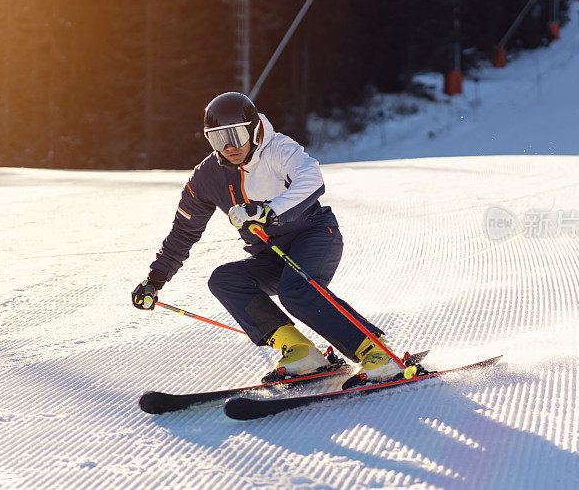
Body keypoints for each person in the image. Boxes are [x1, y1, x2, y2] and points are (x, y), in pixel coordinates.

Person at [132, 92, 401, 382]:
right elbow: (184, 231)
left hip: (314, 235)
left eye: (235, 134)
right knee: (225, 280)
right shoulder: (207, 177)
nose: (230, 146)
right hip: (269, 252)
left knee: (296, 290)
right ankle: (301, 351)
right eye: (217, 139)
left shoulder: (279, 149)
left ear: (253, 128)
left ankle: (376, 352)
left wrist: (268, 212)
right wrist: (155, 280)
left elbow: (311, 179)